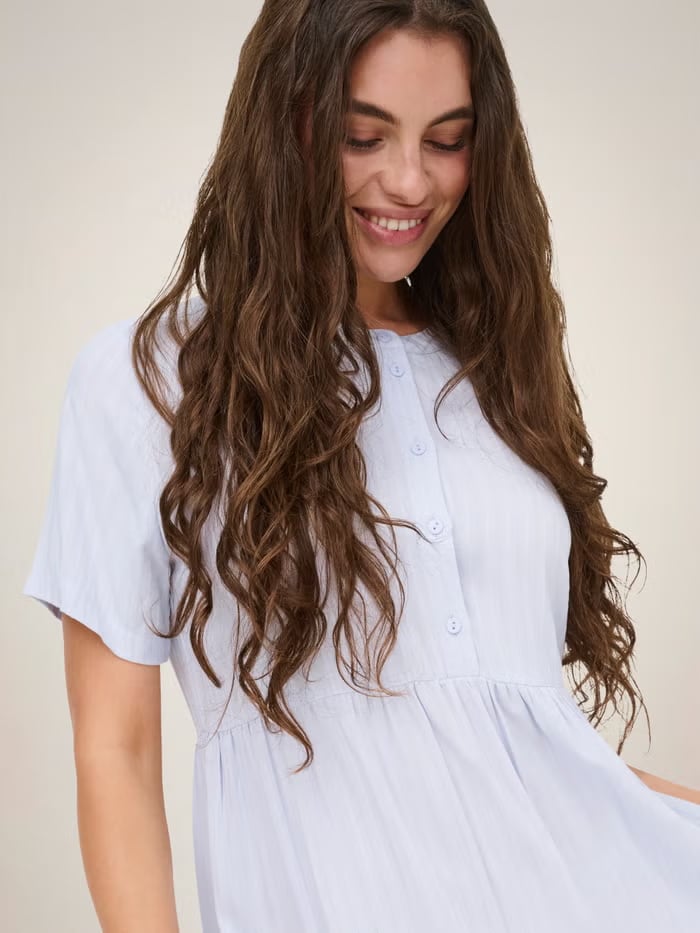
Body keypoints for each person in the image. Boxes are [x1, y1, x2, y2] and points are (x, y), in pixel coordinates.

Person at [22, 1, 700, 931]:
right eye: (361, 135)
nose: (410, 180)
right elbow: (116, 752)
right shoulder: (153, 379)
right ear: (283, 125)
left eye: (448, 140)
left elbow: (514, 736)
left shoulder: (494, 376)